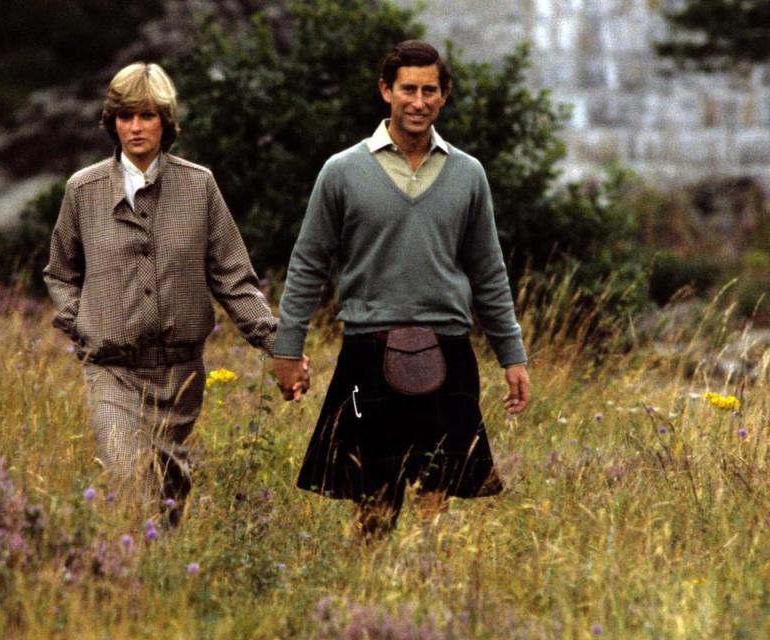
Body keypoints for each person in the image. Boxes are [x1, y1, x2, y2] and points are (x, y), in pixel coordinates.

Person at [272, 41, 530, 537]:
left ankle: (424, 582)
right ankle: (371, 591)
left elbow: (489, 271)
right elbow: (307, 264)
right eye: (407, 89)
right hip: (366, 350)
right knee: (372, 493)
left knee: (436, 491)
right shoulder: (342, 171)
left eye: (429, 90)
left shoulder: (468, 174)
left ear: (444, 95)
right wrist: (287, 348)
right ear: (385, 91)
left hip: (448, 349)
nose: (418, 101)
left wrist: (511, 355)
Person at [44, 62, 305, 525]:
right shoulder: (82, 190)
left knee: (167, 496)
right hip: (112, 370)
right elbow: (61, 273)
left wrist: (276, 343)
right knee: (125, 477)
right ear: (112, 123)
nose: (136, 127)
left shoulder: (198, 185)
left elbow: (233, 277)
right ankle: (126, 581)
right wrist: (78, 322)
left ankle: (162, 578)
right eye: (126, 117)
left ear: (166, 121)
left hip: (180, 374)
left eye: (147, 116)